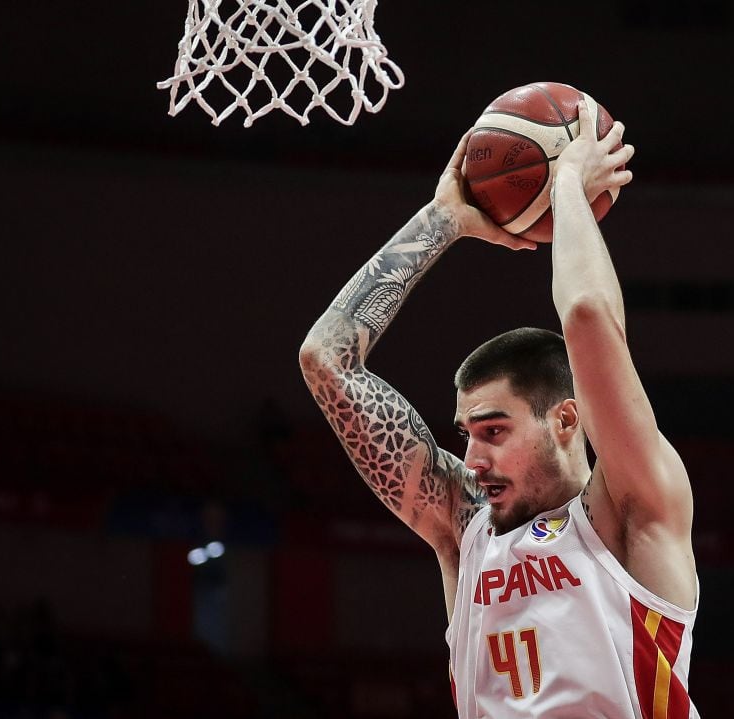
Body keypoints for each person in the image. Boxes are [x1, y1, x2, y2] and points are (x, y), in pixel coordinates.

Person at [300, 103, 700, 718]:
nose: (472, 457)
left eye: (494, 430)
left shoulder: (630, 512)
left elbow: (588, 315)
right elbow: (327, 359)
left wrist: (567, 179)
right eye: (467, 433)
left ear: (567, 420)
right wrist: (445, 218)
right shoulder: (467, 532)